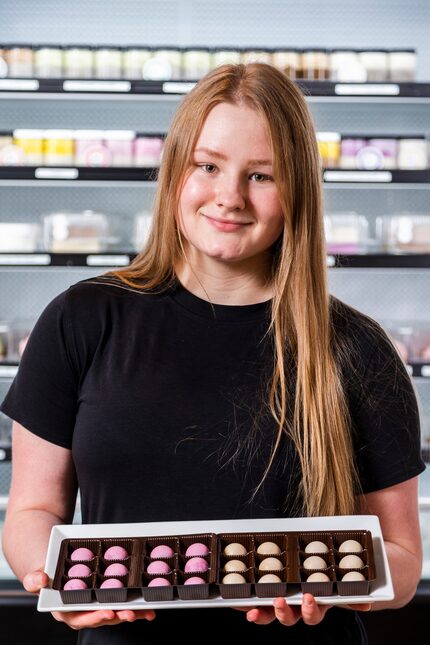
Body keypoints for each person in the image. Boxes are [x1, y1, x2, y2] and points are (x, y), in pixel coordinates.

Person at [0, 62, 425, 645]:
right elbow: (32, 510)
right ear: (176, 172)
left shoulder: (356, 349)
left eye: (261, 176)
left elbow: (400, 561)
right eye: (208, 166)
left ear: (298, 188)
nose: (229, 197)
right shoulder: (81, 319)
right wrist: (46, 579)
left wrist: (331, 589)